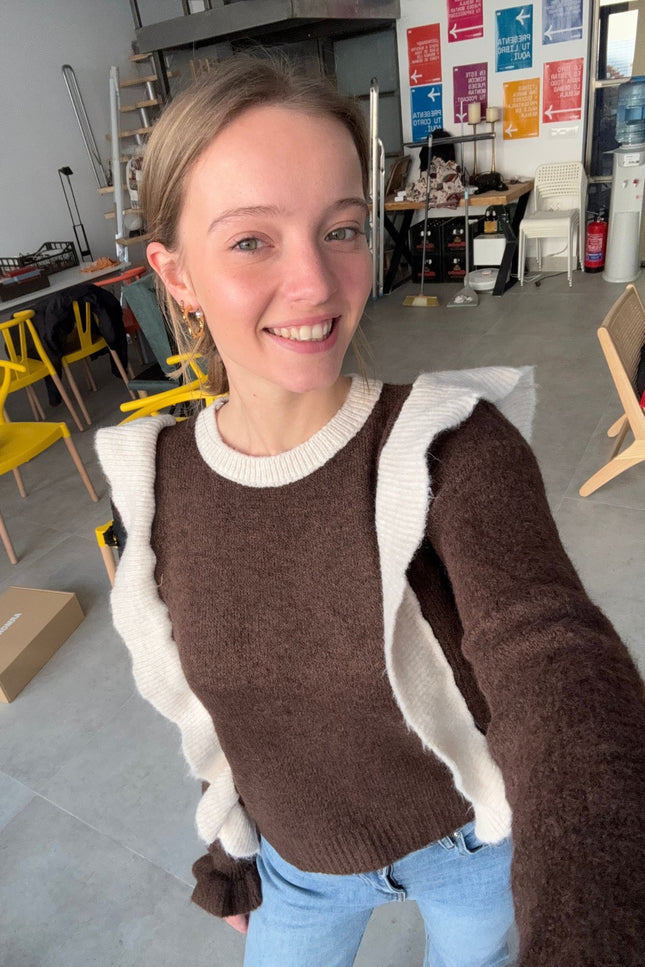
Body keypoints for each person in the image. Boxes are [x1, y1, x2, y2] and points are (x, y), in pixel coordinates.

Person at [96, 55, 645, 967]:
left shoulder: (450, 444)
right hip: (297, 869)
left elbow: (551, 656)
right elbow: (215, 713)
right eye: (251, 240)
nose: (316, 282)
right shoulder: (155, 486)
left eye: (342, 230)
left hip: (469, 849)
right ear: (175, 273)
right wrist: (230, 849)